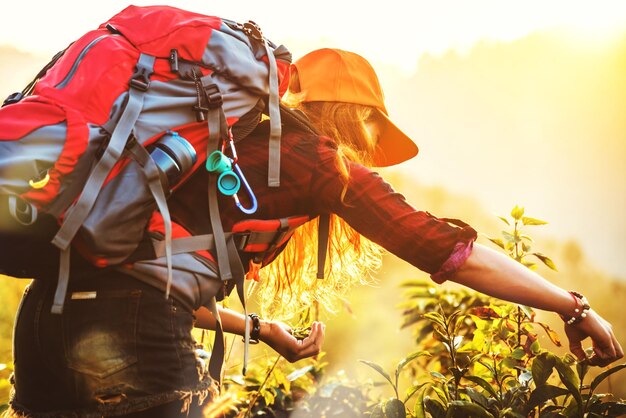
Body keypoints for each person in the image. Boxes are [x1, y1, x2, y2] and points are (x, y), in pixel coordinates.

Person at [8, 46, 622, 418]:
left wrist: (260, 328)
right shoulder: (311, 160)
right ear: (355, 116)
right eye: (372, 132)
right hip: (134, 347)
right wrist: (573, 305)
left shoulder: (206, 140)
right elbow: (441, 246)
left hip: (43, 324)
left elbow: (134, 272)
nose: (369, 150)